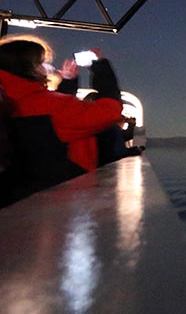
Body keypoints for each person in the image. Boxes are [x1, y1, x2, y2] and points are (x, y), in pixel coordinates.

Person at [0, 36, 125, 204]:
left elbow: (55, 128)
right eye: (42, 63)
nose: (48, 68)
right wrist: (101, 67)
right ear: (28, 68)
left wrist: (67, 83)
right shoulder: (50, 106)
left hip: (19, 197)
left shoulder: (9, 98)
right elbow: (109, 111)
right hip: (62, 200)